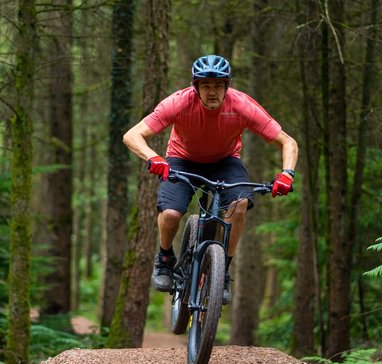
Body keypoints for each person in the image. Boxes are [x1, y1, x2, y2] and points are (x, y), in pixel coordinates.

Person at [123, 54, 299, 305]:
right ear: (196, 88)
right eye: (206, 86)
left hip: (225, 161)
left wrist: (286, 174)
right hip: (182, 160)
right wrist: (154, 158)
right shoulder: (179, 103)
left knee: (238, 206)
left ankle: (222, 271)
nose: (212, 92)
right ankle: (164, 258)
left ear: (227, 86)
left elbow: (288, 141)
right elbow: (133, 135)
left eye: (218, 86)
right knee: (171, 214)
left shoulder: (241, 105)